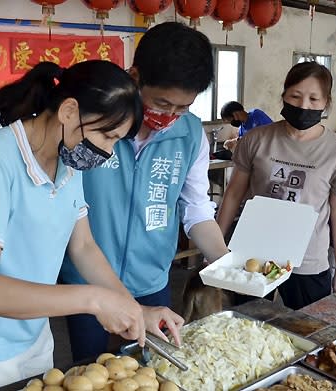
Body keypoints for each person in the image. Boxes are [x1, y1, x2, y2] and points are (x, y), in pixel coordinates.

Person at [0, 60, 182, 391]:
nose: (107, 153)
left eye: (115, 142)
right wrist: (93, 300)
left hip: (34, 333)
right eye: (107, 136)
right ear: (68, 112)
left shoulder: (68, 162)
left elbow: (83, 247)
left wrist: (132, 309)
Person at [58, 22, 230, 361]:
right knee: (91, 369)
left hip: (152, 277)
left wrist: (227, 263)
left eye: (182, 108)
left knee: (152, 368)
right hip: (88, 279)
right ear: (135, 76)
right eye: (162, 103)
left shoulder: (191, 134)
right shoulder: (94, 123)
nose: (169, 117)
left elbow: (195, 209)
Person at [216, 62, 336, 310]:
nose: (304, 105)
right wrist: (216, 248)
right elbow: (233, 195)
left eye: (314, 99)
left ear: (326, 103)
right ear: (283, 96)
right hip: (253, 254)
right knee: (246, 324)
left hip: (308, 259)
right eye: (295, 96)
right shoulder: (256, 139)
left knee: (310, 330)